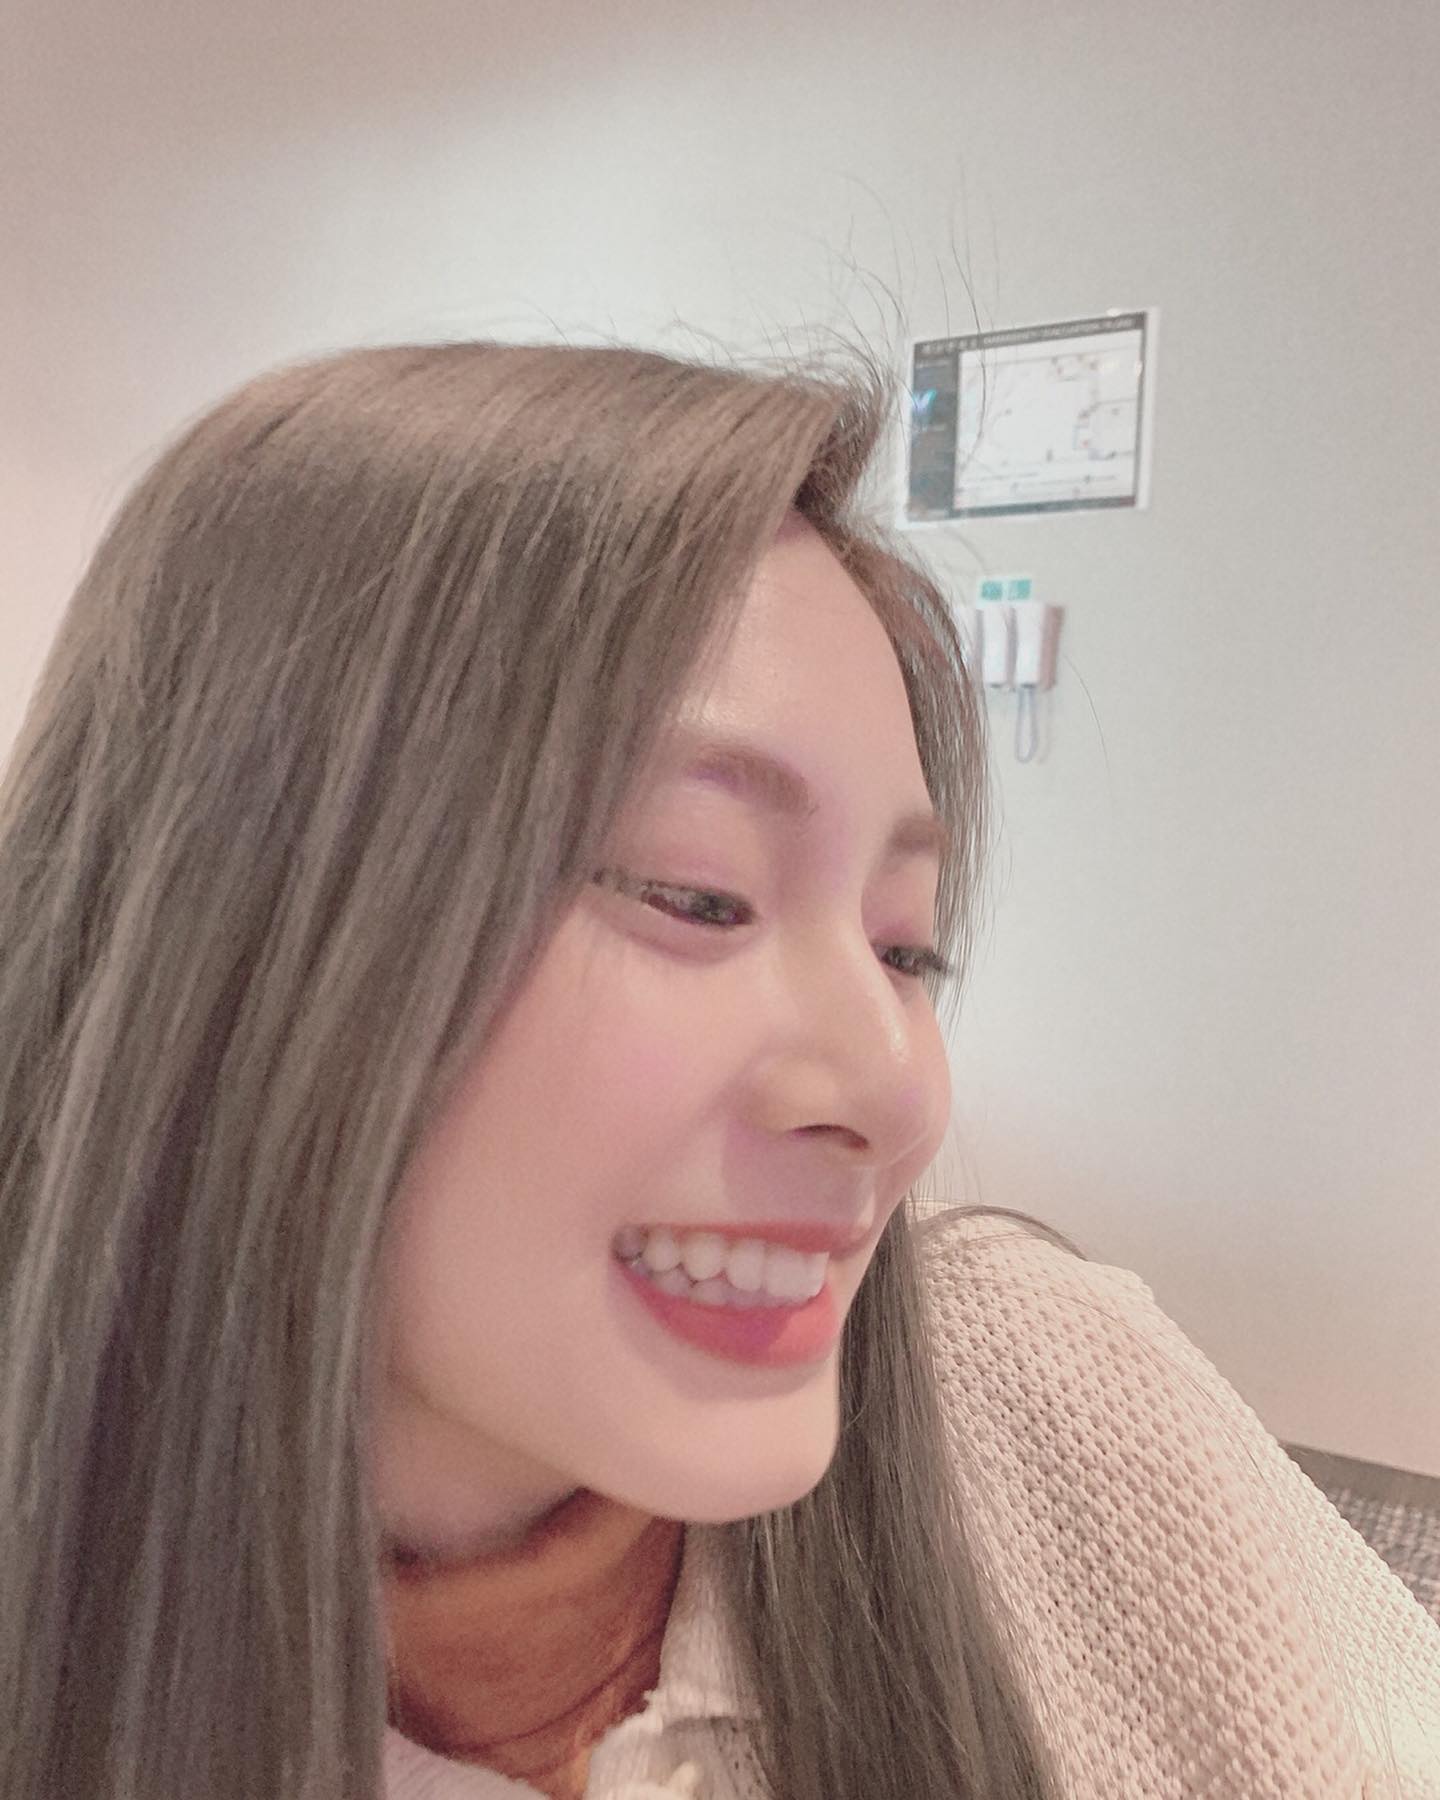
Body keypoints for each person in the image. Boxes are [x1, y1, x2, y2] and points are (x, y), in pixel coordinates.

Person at [0, 341, 1435, 1800]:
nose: (896, 1088)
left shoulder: (1043, 1403)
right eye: (698, 895)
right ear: (234, 929)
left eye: (907, 950)